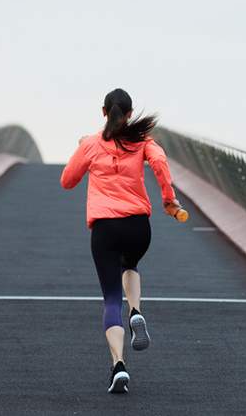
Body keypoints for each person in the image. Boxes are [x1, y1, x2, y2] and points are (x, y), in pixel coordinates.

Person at [60, 88, 183, 394]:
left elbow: (67, 181)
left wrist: (84, 150)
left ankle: (118, 366)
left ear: (104, 112)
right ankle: (137, 311)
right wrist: (169, 201)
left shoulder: (91, 144)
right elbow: (159, 165)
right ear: (130, 115)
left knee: (111, 298)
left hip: (105, 229)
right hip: (139, 227)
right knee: (131, 263)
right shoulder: (144, 142)